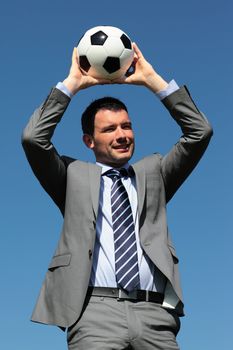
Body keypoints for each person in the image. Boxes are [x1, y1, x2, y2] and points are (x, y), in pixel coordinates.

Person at [22, 43, 213, 350]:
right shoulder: (71, 177)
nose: (122, 135)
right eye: (109, 129)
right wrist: (71, 85)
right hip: (93, 312)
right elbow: (34, 139)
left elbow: (199, 131)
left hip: (155, 316)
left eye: (126, 126)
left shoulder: (155, 174)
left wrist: (152, 80)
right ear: (89, 140)